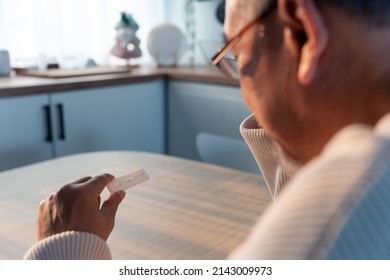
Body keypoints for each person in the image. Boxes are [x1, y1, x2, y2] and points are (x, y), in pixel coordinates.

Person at [24, 0, 390, 259]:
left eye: (237, 51)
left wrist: (64, 249)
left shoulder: (338, 214)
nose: (240, 82)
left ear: (303, 32)